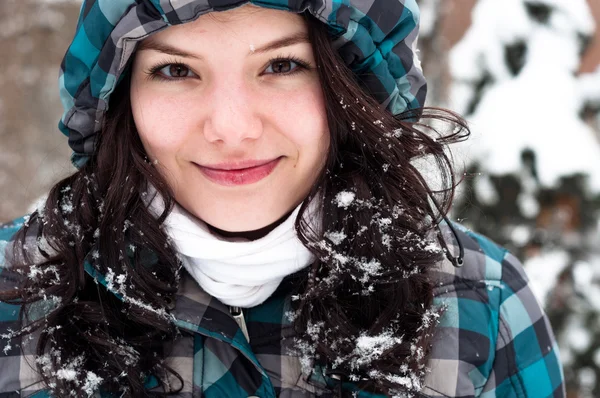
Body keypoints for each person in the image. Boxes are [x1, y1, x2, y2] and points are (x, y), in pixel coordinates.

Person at [0, 1, 564, 397]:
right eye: (175, 70)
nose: (231, 128)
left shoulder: (480, 303)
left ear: (351, 89)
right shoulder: (13, 293)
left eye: (283, 65)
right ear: (119, 101)